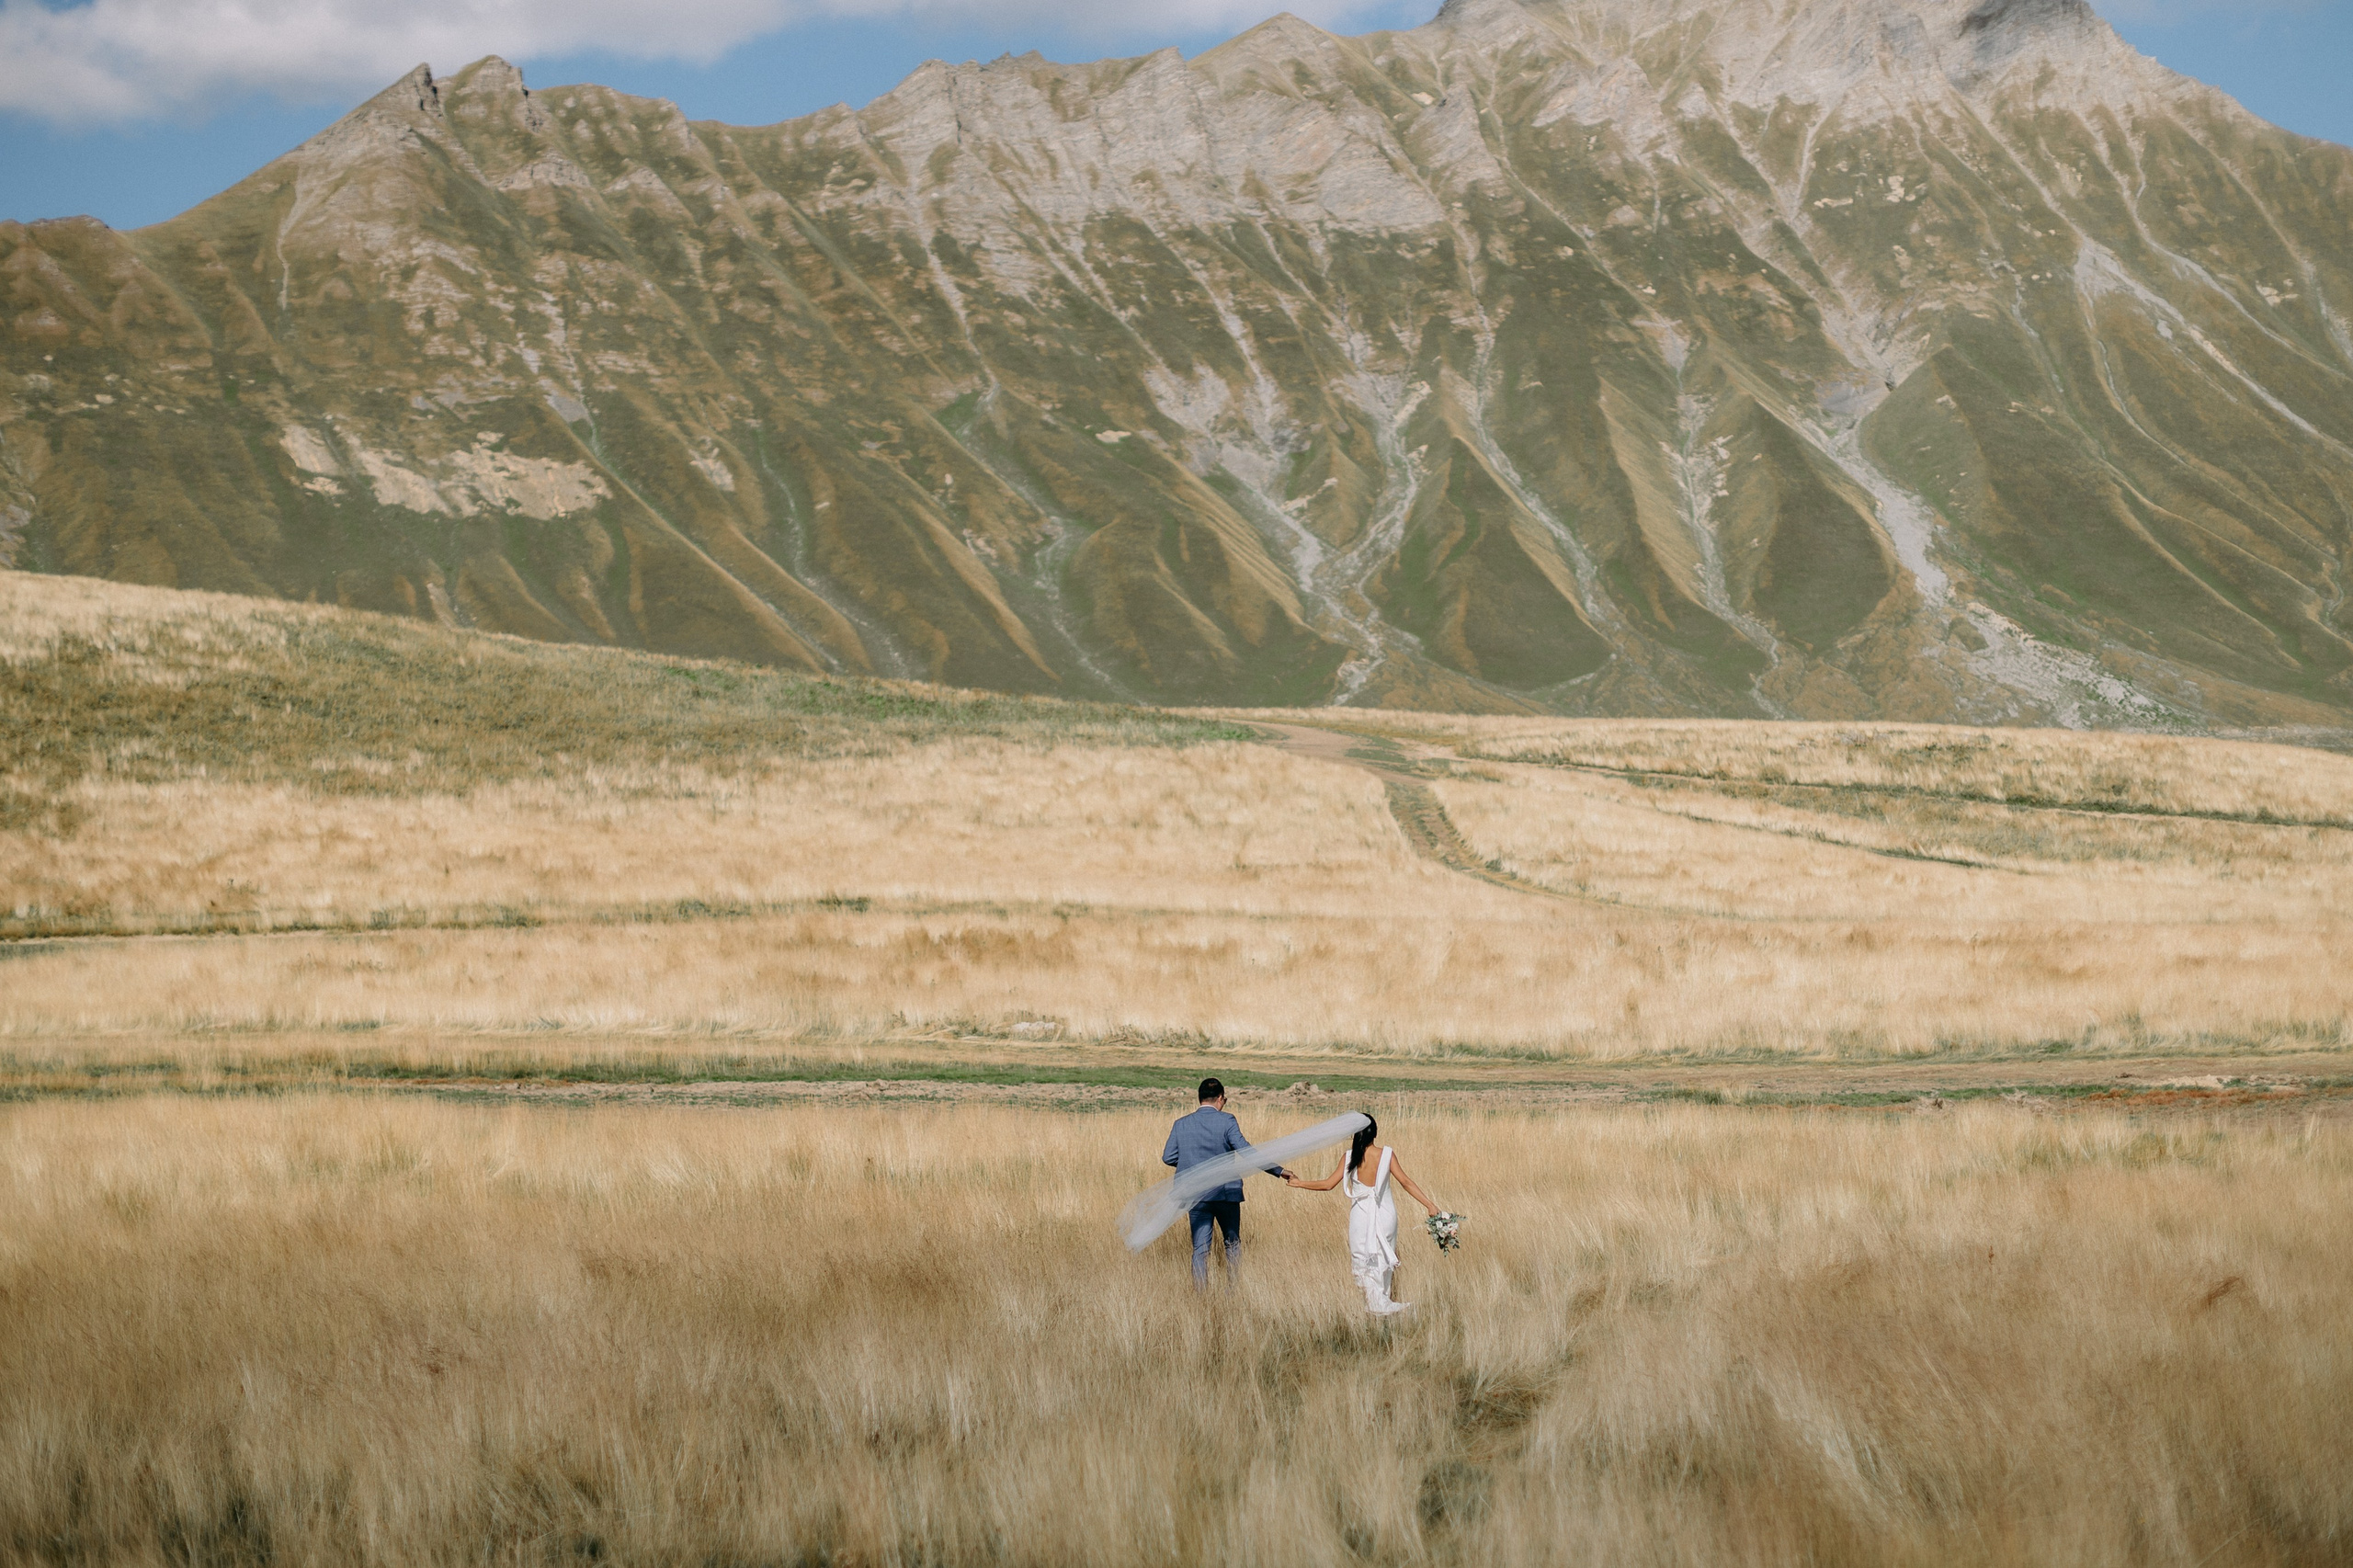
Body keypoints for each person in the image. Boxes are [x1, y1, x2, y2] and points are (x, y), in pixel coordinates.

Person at [1286, 1113, 1438, 1315]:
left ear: (1355, 1135)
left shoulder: (1350, 1157)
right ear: (1374, 1133)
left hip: (1361, 1214)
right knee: (1383, 1254)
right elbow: (1406, 1182)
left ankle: (1375, 1303)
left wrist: (1299, 1183)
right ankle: (1380, 1302)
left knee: (1361, 1255)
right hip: (1385, 1214)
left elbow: (1327, 1184)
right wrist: (1429, 1204)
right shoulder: (1386, 1154)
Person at [1161, 1077, 1288, 1290]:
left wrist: (1192, 1164)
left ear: (1200, 1098)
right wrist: (1278, 1170)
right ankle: (1233, 1290)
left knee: (1200, 1249)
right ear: (1220, 1098)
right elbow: (1246, 1151)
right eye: (1225, 1099)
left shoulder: (1181, 1124)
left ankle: (1201, 1296)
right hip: (1226, 1193)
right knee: (1232, 1243)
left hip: (1196, 1194)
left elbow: (1168, 1157)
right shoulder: (1227, 1121)